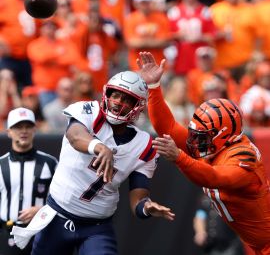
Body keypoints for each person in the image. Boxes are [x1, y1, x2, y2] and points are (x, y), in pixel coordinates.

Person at [11, 71, 175, 255]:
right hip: (57, 216)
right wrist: (100, 147)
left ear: (138, 106)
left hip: (96, 227)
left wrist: (145, 207)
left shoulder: (144, 144)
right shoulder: (89, 111)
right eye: (115, 95)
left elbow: (138, 195)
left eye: (127, 99)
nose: (118, 102)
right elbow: (75, 135)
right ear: (107, 94)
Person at [137, 51, 270, 254]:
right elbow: (169, 127)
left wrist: (179, 157)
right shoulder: (213, 145)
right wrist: (154, 87)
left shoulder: (244, 158)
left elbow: (214, 177)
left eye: (203, 135)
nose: (196, 141)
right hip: (257, 244)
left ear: (222, 134)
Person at [0, 107, 58, 255]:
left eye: (28, 126)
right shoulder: (1, 165)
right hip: (7, 234)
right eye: (18, 127)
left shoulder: (50, 163)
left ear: (34, 129)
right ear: (9, 131)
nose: (23, 131)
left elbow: (62, 199)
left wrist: (42, 210)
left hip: (41, 233)